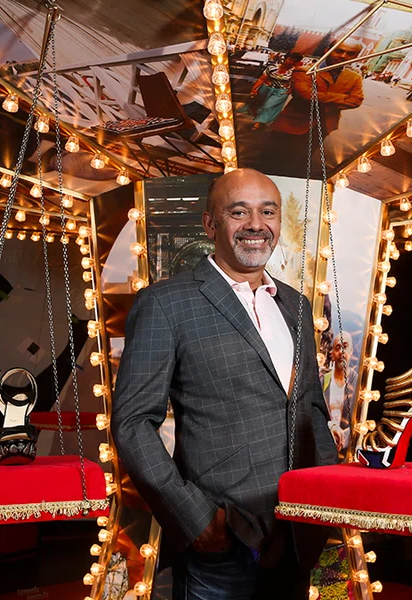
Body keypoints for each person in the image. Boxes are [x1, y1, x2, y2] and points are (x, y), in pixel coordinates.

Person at [112, 168, 337, 600]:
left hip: (296, 532)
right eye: (239, 212)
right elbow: (133, 423)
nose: (257, 224)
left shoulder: (295, 304)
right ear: (210, 224)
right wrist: (194, 517)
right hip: (222, 538)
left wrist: (326, 498)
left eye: (267, 211)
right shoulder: (165, 303)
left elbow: (310, 410)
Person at [259, 40, 364, 176]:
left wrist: (321, 97)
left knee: (299, 163)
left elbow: (356, 101)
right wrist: (343, 97)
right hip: (291, 125)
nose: (343, 56)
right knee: (271, 160)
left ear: (356, 56)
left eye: (350, 53)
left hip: (324, 126)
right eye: (339, 50)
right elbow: (305, 95)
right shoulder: (304, 71)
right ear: (327, 50)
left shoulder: (354, 77)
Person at [245, 52, 303, 130]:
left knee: (268, 106)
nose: (291, 62)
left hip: (281, 92)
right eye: (290, 60)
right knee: (260, 105)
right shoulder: (272, 67)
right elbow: (262, 78)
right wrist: (254, 89)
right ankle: (261, 120)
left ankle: (258, 123)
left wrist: (290, 90)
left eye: (295, 61)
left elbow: (297, 82)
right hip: (266, 88)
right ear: (285, 58)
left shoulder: (295, 72)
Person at [323, 332, 356, 455]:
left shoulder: (358, 383)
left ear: (351, 351)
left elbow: (360, 420)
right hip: (325, 446)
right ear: (332, 354)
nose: (341, 352)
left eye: (345, 347)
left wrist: (342, 438)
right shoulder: (323, 381)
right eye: (338, 348)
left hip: (347, 450)